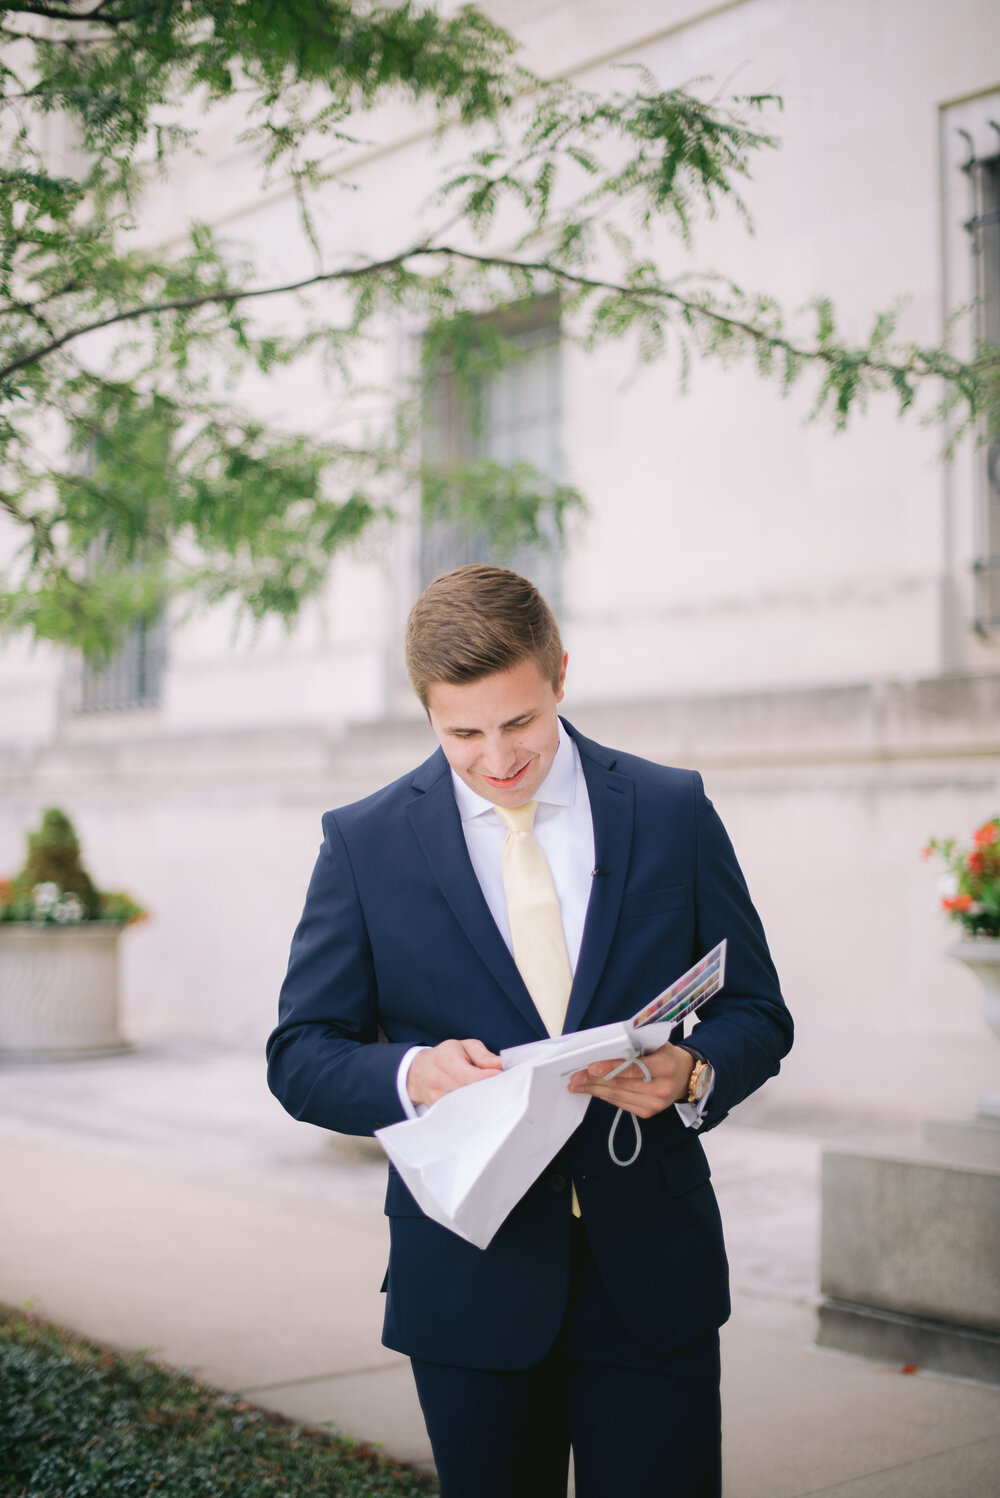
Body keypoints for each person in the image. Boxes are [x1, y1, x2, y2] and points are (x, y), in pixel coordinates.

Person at [267, 564, 792, 1498]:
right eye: (461, 733)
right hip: (470, 1284)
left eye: (519, 723)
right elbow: (301, 1055)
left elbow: (758, 1011)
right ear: (425, 710)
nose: (497, 758)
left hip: (651, 1276)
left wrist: (695, 1070)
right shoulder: (366, 843)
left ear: (560, 674)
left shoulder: (671, 810)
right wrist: (415, 1073)